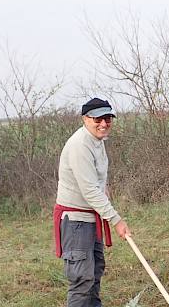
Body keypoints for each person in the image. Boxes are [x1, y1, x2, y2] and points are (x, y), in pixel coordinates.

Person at [53, 97, 131, 307]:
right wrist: (116, 220)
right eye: (98, 119)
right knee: (82, 279)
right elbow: (89, 190)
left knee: (94, 273)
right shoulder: (80, 145)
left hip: (91, 217)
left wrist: (104, 190)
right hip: (76, 222)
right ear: (85, 119)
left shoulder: (97, 141)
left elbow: (97, 180)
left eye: (107, 118)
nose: (103, 123)